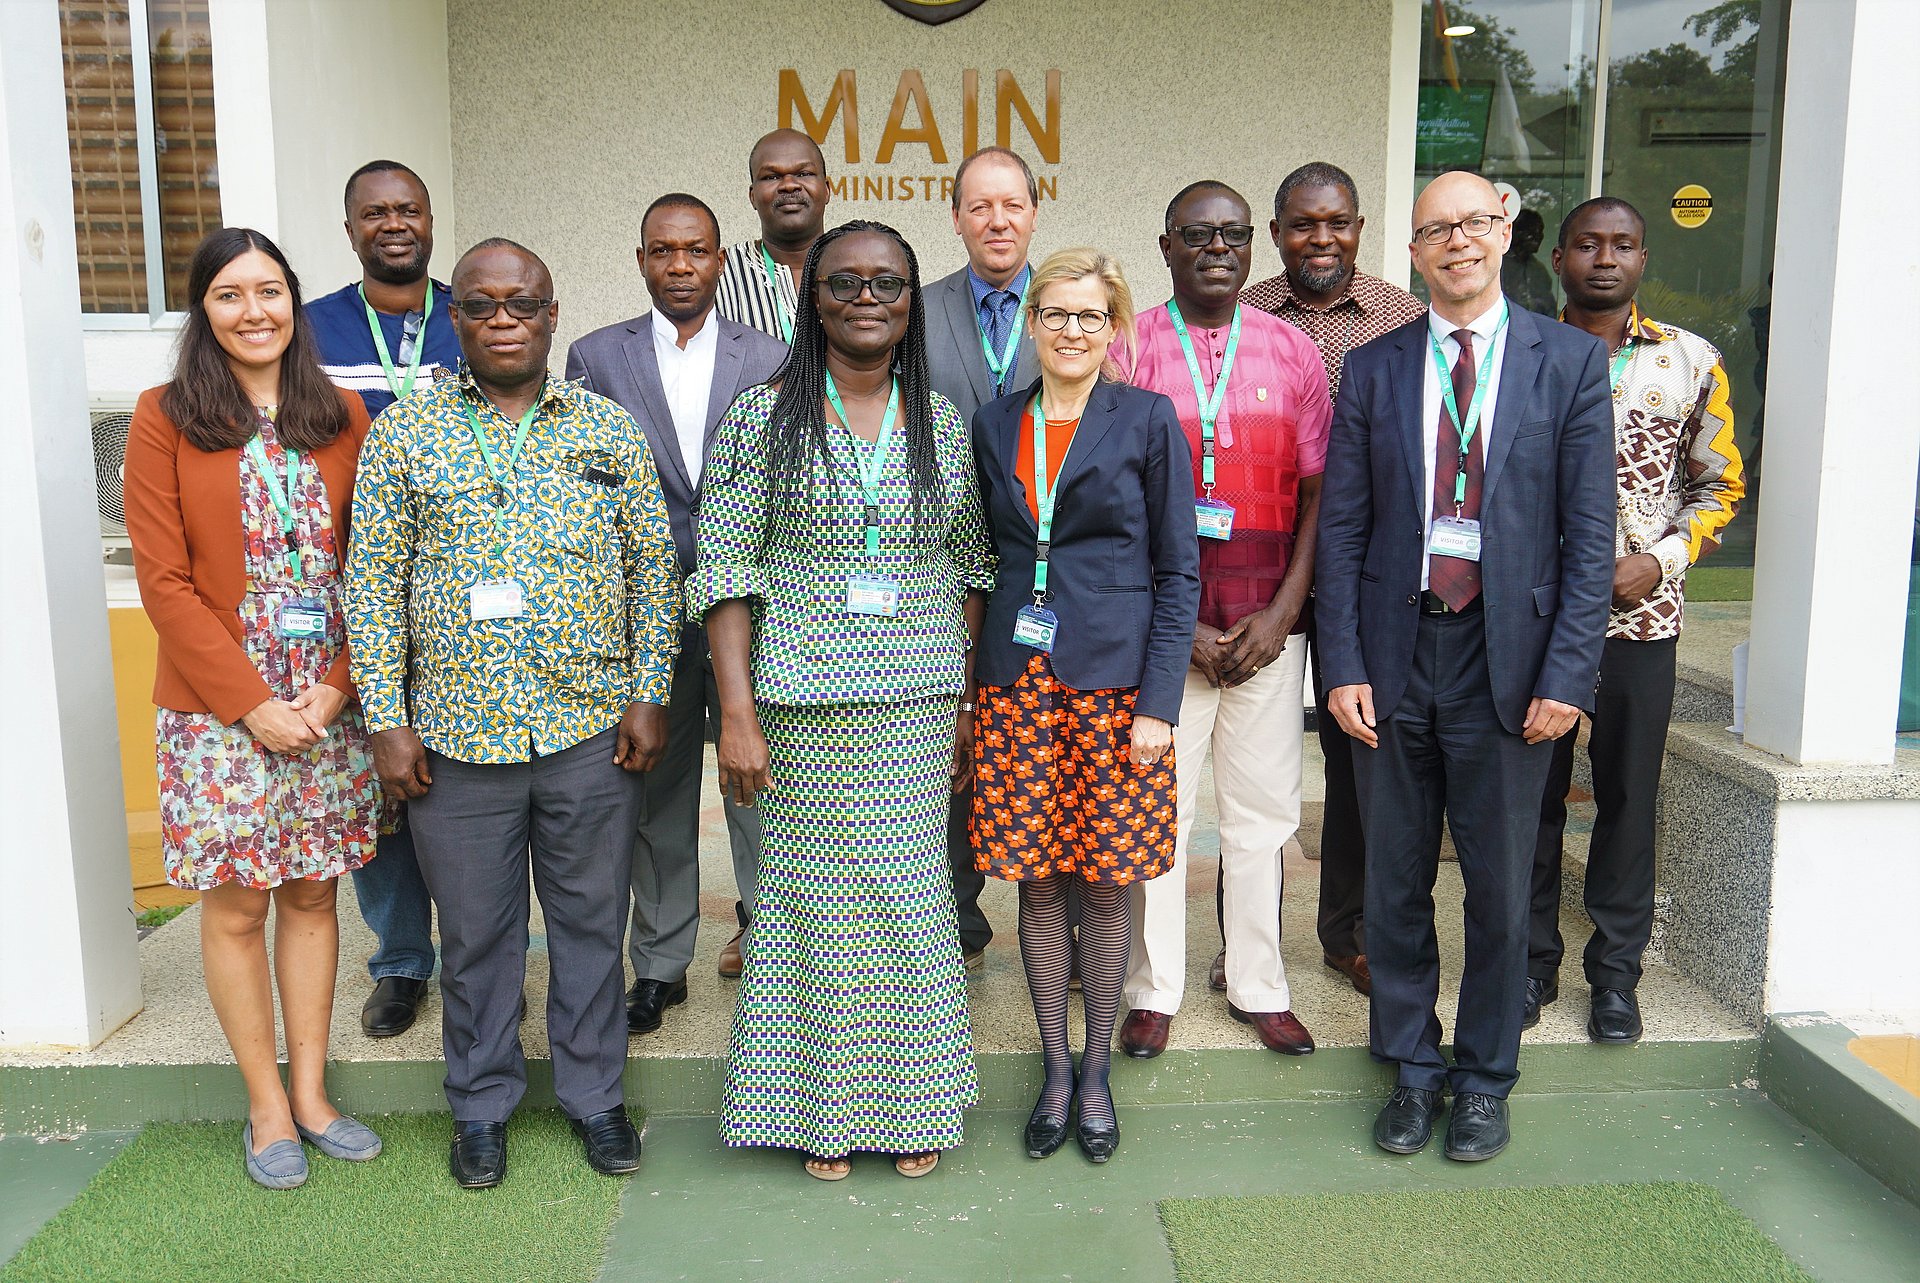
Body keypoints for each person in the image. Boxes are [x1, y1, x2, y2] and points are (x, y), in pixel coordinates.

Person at [345, 238, 681, 1189]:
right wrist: (388, 717)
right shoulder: (406, 434)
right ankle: (482, 1105)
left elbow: (652, 574)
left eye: (522, 304)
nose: (503, 318)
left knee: (588, 924)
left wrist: (649, 691)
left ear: (551, 314)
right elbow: (371, 586)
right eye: (484, 304)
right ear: (455, 318)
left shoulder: (607, 430)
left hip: (587, 732)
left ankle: (594, 1098)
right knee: (479, 934)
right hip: (453, 742)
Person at [1316, 172, 1614, 1162]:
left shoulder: (1567, 362)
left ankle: (1485, 1077)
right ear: (1412, 251)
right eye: (1435, 228)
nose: (1457, 241)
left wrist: (1568, 673)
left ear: (1505, 233)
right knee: (1395, 880)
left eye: (1474, 222)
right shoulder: (1375, 365)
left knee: (1498, 882)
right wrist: (1344, 661)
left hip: (1514, 660)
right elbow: (1347, 529)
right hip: (1398, 654)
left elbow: (1587, 534)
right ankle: (1411, 1064)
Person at [690, 220, 993, 1182]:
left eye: (889, 284)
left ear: (911, 301)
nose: (868, 299)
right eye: (846, 283)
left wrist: (962, 703)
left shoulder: (942, 422)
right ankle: (821, 1109)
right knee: (814, 905)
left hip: (914, 699)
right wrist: (736, 715)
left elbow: (970, 566)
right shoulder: (759, 417)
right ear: (811, 297)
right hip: (800, 704)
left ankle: (913, 1104)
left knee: (910, 900)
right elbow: (725, 573)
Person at [124, 227, 385, 1190]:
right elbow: (164, 584)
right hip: (217, 712)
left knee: (315, 892)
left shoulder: (345, 414)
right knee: (238, 902)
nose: (254, 311)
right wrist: (250, 703)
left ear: (294, 301)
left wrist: (338, 683)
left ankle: (313, 1093)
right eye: (229, 295)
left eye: (269, 290)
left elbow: (379, 566)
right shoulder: (163, 418)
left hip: (327, 703)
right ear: (203, 312)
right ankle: (265, 1105)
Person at [972, 247, 1200, 1164]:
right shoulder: (995, 423)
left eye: (1090, 316)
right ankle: (1056, 1068)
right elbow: (983, 559)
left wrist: (1160, 703)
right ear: (1032, 323)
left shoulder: (1147, 421)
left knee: (1107, 883)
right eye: (1056, 314)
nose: (1073, 331)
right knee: (1035, 880)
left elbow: (1179, 571)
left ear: (1116, 328)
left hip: (1116, 693)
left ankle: (1097, 1074)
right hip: (1018, 688)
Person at [565, 193, 788, 1027]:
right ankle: (660, 963)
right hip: (642, 609)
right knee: (656, 789)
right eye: (664, 251)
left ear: (721, 259)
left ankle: (772, 942)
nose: (681, 265)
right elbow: (586, 490)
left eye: (696, 250)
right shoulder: (595, 356)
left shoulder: (768, 355)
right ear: (642, 260)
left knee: (757, 781)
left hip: (751, 604)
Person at [1119, 181, 1330, 1060]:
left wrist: (1283, 613)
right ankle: (1153, 988)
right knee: (1156, 817)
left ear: (1255, 247)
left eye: (1234, 234)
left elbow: (1322, 493)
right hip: (1167, 638)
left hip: (1266, 632)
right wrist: (1180, 630)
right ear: (1165, 246)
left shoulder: (1293, 351)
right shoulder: (1127, 347)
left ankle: (1259, 985)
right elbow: (1112, 498)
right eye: (1197, 234)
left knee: (1263, 817)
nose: (1218, 247)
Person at [1530, 196, 1745, 1042]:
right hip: (1538, 620)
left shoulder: (1692, 362)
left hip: (1642, 618)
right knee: (1532, 800)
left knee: (1626, 797)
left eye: (1622, 245)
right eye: (1587, 244)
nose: (1605, 258)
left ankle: (1616, 975)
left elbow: (1719, 486)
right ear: (1560, 258)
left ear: (1644, 258)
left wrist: (1658, 560)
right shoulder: (1524, 353)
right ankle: (1530, 963)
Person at [1244, 161, 1426, 1000]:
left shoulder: (1405, 318)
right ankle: (1248, 944)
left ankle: (1347, 930)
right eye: (1304, 224)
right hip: (1260, 578)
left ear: (1360, 226)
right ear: (1279, 232)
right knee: (1253, 771)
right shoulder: (1241, 312)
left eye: (1339, 222)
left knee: (1360, 759)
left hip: (1367, 574)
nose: (1323, 238)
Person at [304, 159, 462, 1040]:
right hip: (350, 583)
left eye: (408, 209)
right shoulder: (312, 329)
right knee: (381, 775)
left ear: (431, 220)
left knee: (463, 778)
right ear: (351, 226)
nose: (393, 223)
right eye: (375, 212)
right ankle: (401, 958)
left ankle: (484, 946)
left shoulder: (473, 311)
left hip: (462, 591)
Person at [921, 147, 1044, 969]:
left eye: (1012, 205)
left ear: (1034, 212)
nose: (997, 221)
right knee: (947, 737)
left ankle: (1058, 913)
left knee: (1045, 733)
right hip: (939, 558)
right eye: (979, 206)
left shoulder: (1071, 303)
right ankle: (954, 907)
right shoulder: (916, 309)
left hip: (1047, 563)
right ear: (957, 216)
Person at [714, 129, 832, 343]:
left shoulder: (862, 267)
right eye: (772, 177)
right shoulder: (719, 273)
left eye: (804, 174)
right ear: (753, 197)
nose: (788, 185)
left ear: (826, 190)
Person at [1500, 210, 1557, 317]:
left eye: (1540, 231)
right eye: (1531, 232)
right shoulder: (1498, 265)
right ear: (1516, 233)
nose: (1538, 236)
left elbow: (1549, 306)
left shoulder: (1539, 269)